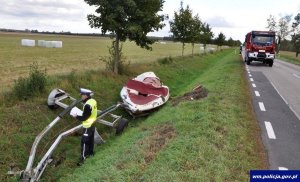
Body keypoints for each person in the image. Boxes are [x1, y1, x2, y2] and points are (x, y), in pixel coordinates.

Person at [72, 88, 97, 166]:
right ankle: (91, 153)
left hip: (87, 125)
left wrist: (75, 116)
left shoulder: (87, 105)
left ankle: (83, 158)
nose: (81, 97)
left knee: (85, 142)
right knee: (91, 139)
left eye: (82, 95)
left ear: (86, 95)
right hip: (93, 123)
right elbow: (90, 112)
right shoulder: (93, 101)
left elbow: (84, 118)